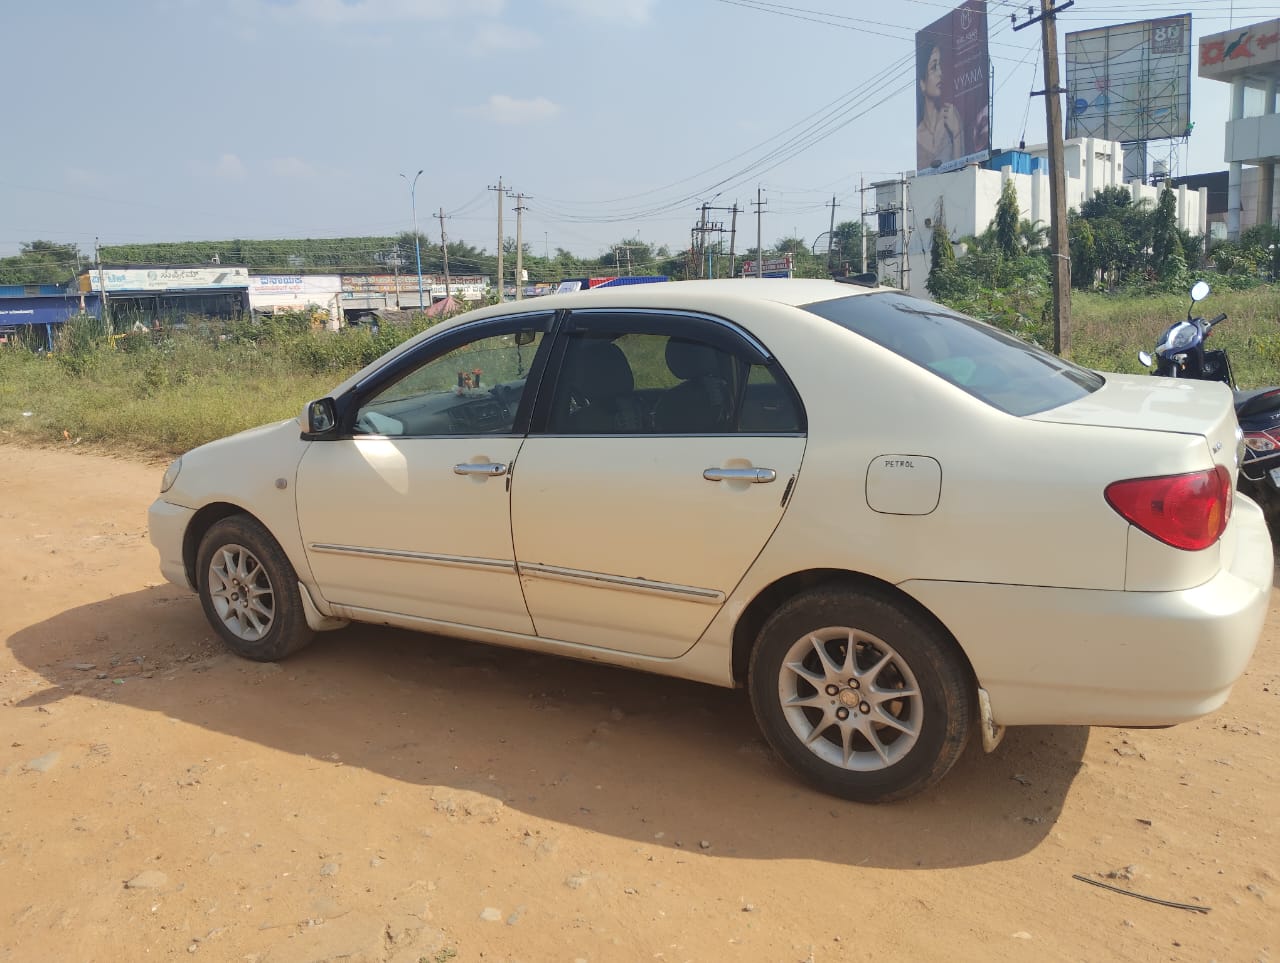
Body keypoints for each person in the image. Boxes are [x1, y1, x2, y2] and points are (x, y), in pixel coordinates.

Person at [916, 39, 964, 169]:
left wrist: (957, 134)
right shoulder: (918, 135)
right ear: (922, 83)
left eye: (940, 66)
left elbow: (961, 172)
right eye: (933, 67)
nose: (940, 73)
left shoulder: (951, 118)